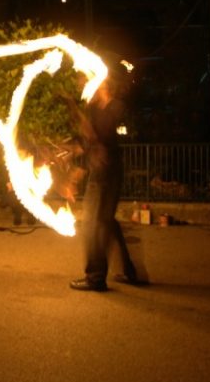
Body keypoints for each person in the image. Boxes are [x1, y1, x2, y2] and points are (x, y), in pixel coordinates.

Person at [66, 66, 144, 292]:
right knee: (107, 222)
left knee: (93, 224)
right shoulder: (94, 108)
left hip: (108, 172)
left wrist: (77, 111)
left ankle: (95, 277)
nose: (84, 84)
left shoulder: (115, 107)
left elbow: (101, 135)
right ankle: (128, 271)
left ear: (104, 84)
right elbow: (87, 143)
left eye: (90, 80)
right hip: (98, 171)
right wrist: (74, 167)